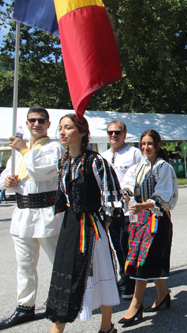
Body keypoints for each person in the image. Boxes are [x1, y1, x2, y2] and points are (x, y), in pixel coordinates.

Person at [46, 114, 122, 333]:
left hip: (90, 227)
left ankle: (106, 326)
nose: (62, 132)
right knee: (67, 275)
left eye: (68, 127)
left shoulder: (95, 161)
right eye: (60, 128)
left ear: (82, 132)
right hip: (70, 226)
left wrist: (104, 222)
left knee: (100, 272)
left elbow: (111, 195)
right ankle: (59, 326)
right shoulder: (63, 162)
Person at [0, 106, 65, 330]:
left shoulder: (54, 147)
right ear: (27, 124)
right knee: (24, 265)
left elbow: (41, 172)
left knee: (58, 262)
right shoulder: (19, 150)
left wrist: (25, 150)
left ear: (48, 124)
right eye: (32, 120)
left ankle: (67, 301)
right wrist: (7, 182)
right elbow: (6, 176)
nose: (36, 124)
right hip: (22, 214)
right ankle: (24, 307)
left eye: (41, 120)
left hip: (46, 213)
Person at [118, 129, 178, 325]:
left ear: (158, 145)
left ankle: (136, 304)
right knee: (143, 259)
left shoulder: (164, 167)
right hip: (139, 219)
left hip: (156, 220)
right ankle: (162, 294)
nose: (145, 147)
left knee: (142, 260)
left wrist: (144, 204)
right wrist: (127, 194)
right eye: (143, 143)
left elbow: (164, 195)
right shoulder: (138, 166)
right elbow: (127, 184)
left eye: (149, 143)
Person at [101, 120, 143, 299]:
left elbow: (144, 175)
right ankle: (124, 276)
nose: (113, 135)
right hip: (111, 210)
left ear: (124, 134)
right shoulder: (102, 156)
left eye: (117, 132)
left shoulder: (134, 153)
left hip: (129, 209)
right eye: (110, 132)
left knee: (129, 244)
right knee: (117, 245)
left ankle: (132, 280)